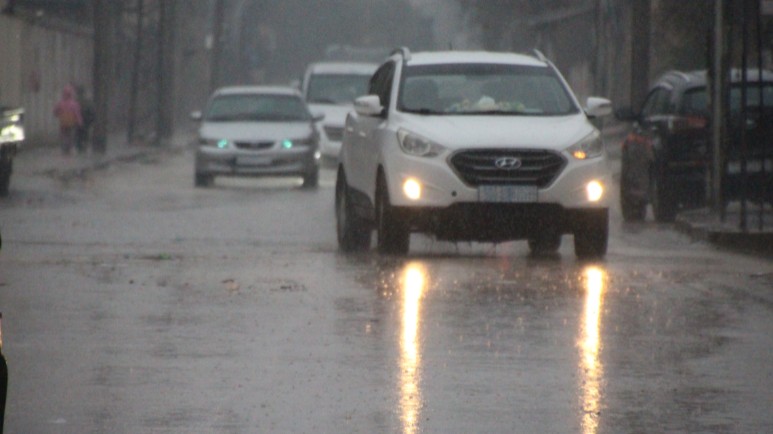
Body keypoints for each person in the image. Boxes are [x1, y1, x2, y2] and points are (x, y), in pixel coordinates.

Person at [53, 84, 83, 156]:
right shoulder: (74, 104)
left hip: (63, 122)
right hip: (71, 123)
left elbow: (55, 111)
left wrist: (58, 114)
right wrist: (80, 122)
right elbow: (77, 113)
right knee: (70, 135)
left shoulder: (60, 103)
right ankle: (68, 148)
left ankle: (64, 148)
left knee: (63, 135)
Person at [74, 85, 95, 154]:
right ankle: (84, 146)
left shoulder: (75, 101)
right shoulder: (87, 101)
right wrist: (92, 120)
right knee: (85, 134)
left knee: (79, 134)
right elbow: (91, 111)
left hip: (78, 121)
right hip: (86, 121)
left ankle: (80, 147)